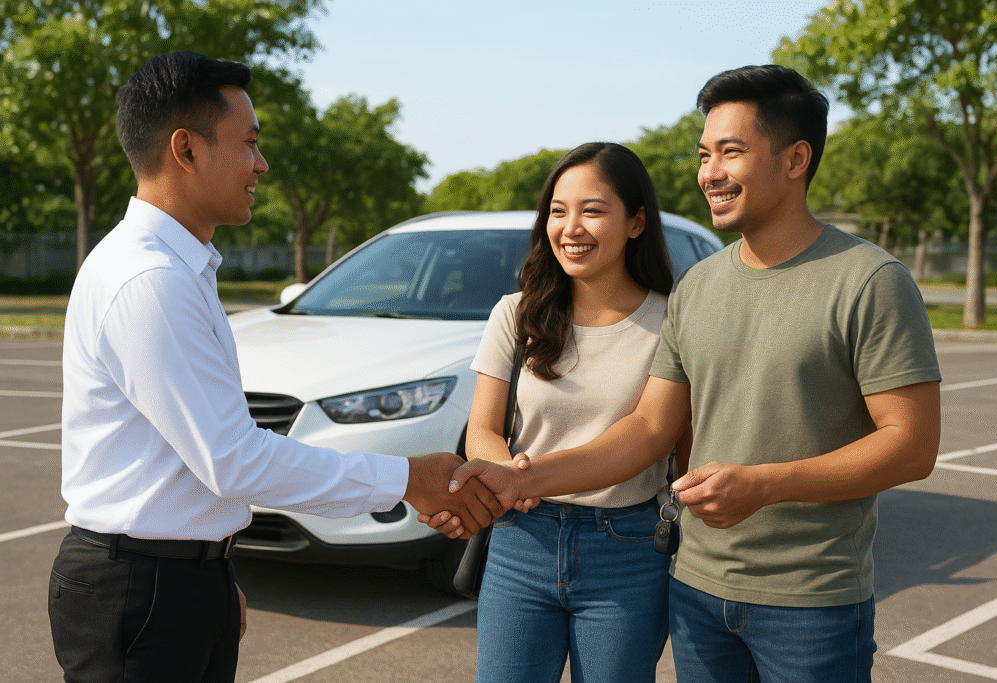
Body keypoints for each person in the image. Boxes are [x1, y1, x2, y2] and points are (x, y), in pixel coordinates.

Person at [443, 65, 942, 683]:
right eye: (704, 154)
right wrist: (520, 478)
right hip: (697, 587)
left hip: (811, 598)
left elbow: (911, 447)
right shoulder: (698, 288)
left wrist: (763, 484)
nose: (710, 172)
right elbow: (650, 429)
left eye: (731, 151)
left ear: (795, 159)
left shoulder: (870, 281)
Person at [49, 51, 501, 683]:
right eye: (250, 144)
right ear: (186, 149)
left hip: (175, 578)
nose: (261, 164)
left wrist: (209, 570)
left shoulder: (178, 266)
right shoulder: (150, 279)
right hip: (143, 587)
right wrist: (406, 479)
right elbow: (234, 460)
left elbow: (196, 460)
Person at [432, 142, 680, 683]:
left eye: (593, 210)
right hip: (521, 539)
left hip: (629, 549)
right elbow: (483, 429)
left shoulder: (673, 320)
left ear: (637, 222)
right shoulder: (515, 312)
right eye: (558, 210)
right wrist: (507, 477)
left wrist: (521, 476)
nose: (571, 227)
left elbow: (650, 435)